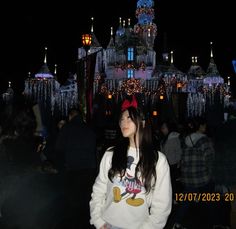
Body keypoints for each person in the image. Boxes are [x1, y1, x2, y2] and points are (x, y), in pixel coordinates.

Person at [90, 96, 172, 229]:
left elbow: (162, 204)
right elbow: (99, 189)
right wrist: (98, 221)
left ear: (143, 123)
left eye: (129, 118)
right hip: (108, 224)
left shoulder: (158, 160)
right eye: (121, 119)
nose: (123, 123)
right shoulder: (111, 153)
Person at [55, 107, 97, 228]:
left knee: (73, 202)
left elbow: (58, 148)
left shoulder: (67, 128)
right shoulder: (89, 129)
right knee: (86, 200)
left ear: (70, 116)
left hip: (73, 169)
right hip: (89, 169)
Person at [173, 116, 215, 229]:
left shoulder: (186, 139)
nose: (205, 127)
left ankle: (177, 223)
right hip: (202, 177)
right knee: (209, 199)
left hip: (187, 177)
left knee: (186, 200)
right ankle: (212, 223)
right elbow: (210, 160)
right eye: (204, 125)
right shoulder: (205, 140)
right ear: (200, 126)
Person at [160, 121, 182, 202]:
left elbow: (179, 151)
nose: (162, 130)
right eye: (162, 128)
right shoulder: (164, 138)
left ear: (169, 128)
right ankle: (172, 198)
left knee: (173, 183)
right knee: (169, 183)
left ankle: (175, 198)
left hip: (173, 164)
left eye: (164, 128)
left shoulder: (174, 137)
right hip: (166, 163)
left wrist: (178, 162)